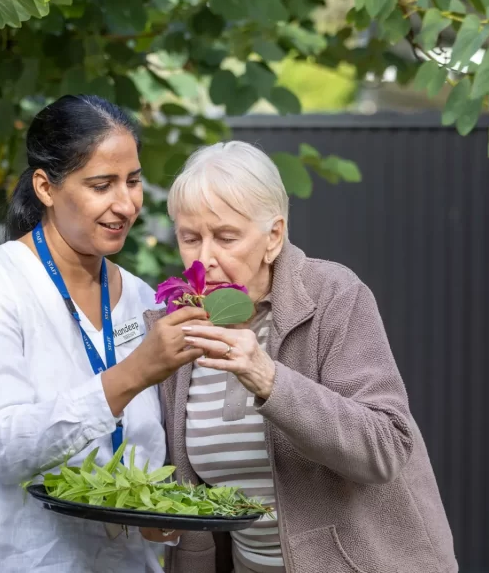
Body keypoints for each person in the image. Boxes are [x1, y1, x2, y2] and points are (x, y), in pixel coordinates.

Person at [0, 95, 206, 572]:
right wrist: (134, 373)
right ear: (45, 188)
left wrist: (167, 515)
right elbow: (4, 448)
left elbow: (150, 457)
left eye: (133, 181)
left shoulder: (141, 301)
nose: (125, 203)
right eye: (101, 184)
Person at [146, 141, 458, 573]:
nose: (205, 259)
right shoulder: (179, 325)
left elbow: (387, 447)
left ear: (273, 237)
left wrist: (268, 378)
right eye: (190, 237)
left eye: (226, 237)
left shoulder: (333, 296)